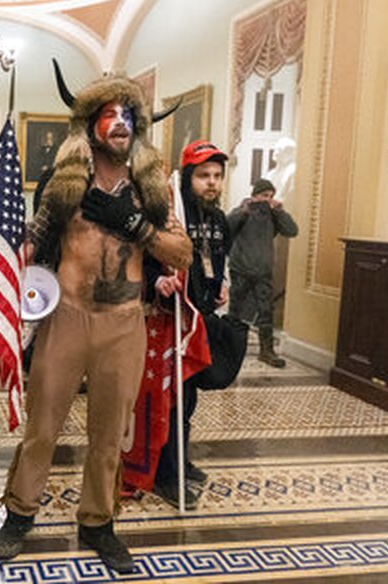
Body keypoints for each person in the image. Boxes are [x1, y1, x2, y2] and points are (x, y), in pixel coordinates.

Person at [0, 65, 193, 573]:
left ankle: (98, 523)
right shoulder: (66, 185)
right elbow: (34, 238)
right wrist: (3, 274)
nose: (121, 123)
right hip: (67, 315)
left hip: (125, 323)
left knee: (110, 434)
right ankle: (19, 513)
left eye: (129, 115)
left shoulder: (150, 192)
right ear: (91, 124)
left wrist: (135, 226)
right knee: (42, 426)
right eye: (111, 114)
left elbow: (181, 252)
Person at [150, 139, 233, 511]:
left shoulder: (218, 219)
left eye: (216, 175)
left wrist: (222, 285)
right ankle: (166, 475)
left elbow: (219, 259)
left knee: (190, 399)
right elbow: (152, 258)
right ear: (188, 178)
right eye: (203, 175)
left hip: (202, 318)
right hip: (171, 322)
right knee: (172, 401)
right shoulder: (172, 216)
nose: (211, 183)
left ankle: (180, 460)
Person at [226, 178, 298, 368]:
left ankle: (266, 351)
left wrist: (280, 211)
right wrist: (243, 211)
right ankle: (227, 348)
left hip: (263, 271)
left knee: (266, 311)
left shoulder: (274, 215)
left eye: (271, 196)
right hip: (240, 268)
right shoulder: (243, 209)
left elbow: (292, 231)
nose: (268, 199)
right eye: (264, 195)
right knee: (235, 311)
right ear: (255, 195)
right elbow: (226, 228)